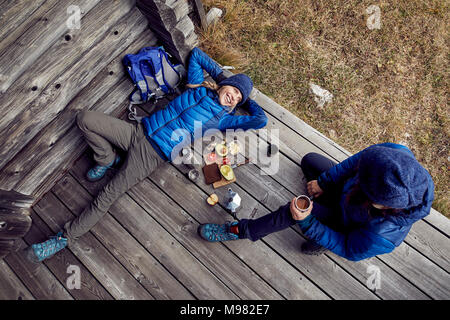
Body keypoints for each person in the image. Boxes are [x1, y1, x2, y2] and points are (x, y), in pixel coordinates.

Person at [27, 47, 268, 262]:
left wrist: (246, 99)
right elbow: (196, 55)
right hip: (137, 132)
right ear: (225, 84)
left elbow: (261, 120)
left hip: (152, 154)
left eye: (238, 99)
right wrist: (224, 80)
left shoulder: (222, 119)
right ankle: (107, 159)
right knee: (85, 119)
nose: (234, 97)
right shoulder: (196, 86)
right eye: (234, 90)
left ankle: (63, 239)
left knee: (107, 195)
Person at [198, 143, 434, 262]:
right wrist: (324, 182)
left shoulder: (382, 236)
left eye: (363, 182)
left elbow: (349, 249)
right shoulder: (393, 154)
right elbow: (354, 164)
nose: (358, 175)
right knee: (310, 161)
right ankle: (320, 201)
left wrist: (309, 222)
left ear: (381, 205)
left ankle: (241, 230)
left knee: (290, 212)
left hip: (345, 225)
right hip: (346, 196)